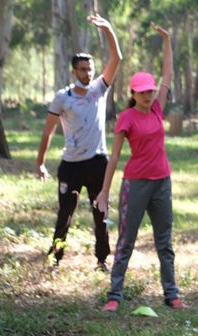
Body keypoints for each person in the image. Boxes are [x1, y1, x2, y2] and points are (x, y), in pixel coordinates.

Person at [94, 23, 185, 312]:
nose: (148, 95)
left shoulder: (157, 109)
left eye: (151, 91)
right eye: (143, 92)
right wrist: (104, 191)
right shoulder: (126, 118)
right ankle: (114, 295)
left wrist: (167, 40)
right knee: (126, 242)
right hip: (135, 184)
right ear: (133, 93)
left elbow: (167, 73)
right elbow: (115, 157)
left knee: (165, 242)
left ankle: (171, 295)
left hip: (162, 183)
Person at [35, 14, 122, 272]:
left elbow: (116, 59)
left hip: (97, 163)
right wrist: (40, 163)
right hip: (71, 165)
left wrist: (107, 29)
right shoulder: (63, 98)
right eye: (83, 69)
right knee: (65, 215)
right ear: (74, 71)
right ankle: (55, 258)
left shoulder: (99, 89)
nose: (88, 73)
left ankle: (102, 260)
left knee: (101, 214)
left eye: (90, 69)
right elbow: (48, 132)